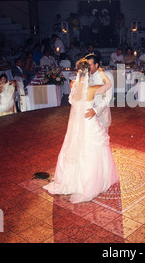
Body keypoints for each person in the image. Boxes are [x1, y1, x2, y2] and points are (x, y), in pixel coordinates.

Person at [43, 58, 118, 204]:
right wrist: (102, 72)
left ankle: (73, 181)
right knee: (91, 150)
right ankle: (91, 182)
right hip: (88, 122)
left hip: (75, 125)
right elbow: (108, 85)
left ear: (77, 72)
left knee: (75, 149)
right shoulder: (91, 89)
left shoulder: (72, 85)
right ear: (88, 72)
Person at [84, 54, 113, 134]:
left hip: (101, 114)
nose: (87, 67)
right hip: (89, 113)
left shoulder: (105, 76)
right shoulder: (87, 76)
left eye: (89, 65)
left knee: (102, 140)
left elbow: (107, 98)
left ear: (96, 65)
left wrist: (95, 110)